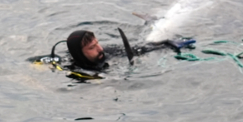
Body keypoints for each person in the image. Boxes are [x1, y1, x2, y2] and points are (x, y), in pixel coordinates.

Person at [30, 28, 194, 80]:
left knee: (139, 49)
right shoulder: (74, 70)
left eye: (97, 43)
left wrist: (165, 44)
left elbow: (137, 49)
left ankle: (168, 41)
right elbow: (33, 63)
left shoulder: (104, 52)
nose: (99, 49)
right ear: (79, 55)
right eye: (92, 48)